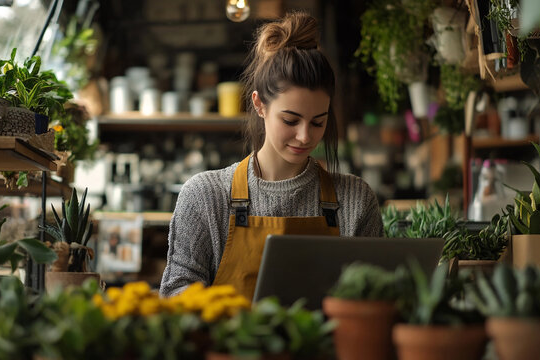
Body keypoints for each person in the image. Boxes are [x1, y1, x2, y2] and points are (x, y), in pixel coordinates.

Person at [160, 12, 383, 299]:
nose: (305, 137)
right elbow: (174, 294)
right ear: (259, 104)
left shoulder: (355, 200)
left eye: (318, 122)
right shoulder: (205, 196)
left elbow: (377, 300)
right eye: (290, 120)